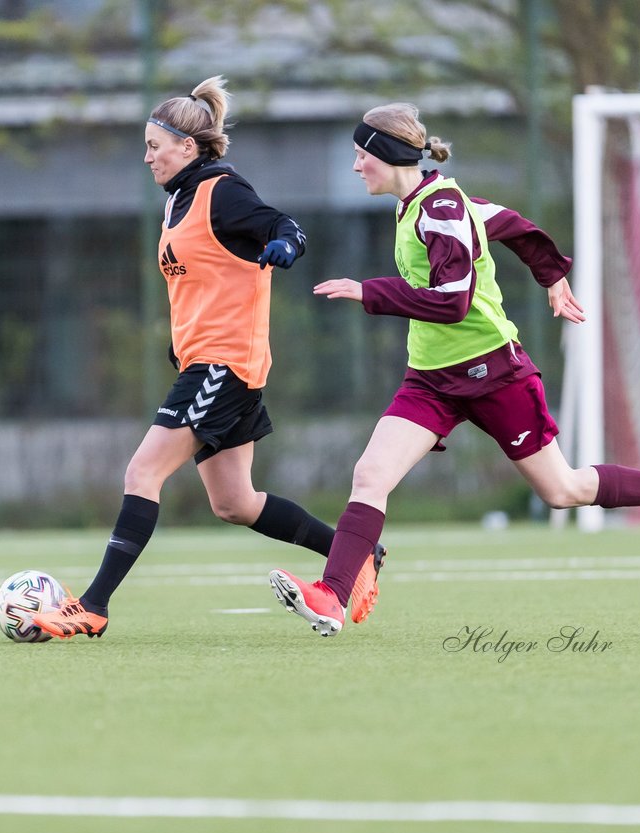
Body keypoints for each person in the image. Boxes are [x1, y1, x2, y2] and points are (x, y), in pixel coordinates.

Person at [269, 103, 640, 637]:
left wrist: (369, 291)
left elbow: (453, 301)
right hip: (432, 379)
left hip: (493, 373)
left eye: (360, 155)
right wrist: (551, 273)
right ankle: (332, 596)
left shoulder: (438, 209)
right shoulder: (424, 204)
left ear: (387, 156)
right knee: (370, 474)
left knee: (563, 490)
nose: (354, 167)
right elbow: (509, 223)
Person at [32, 76, 384, 639]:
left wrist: (285, 246)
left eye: (154, 145)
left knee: (143, 471)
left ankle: (92, 605)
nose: (146, 156)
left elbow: (284, 225)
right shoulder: (178, 200)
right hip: (213, 364)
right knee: (235, 503)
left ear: (188, 148)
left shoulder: (222, 189)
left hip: (223, 365)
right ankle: (360, 554)